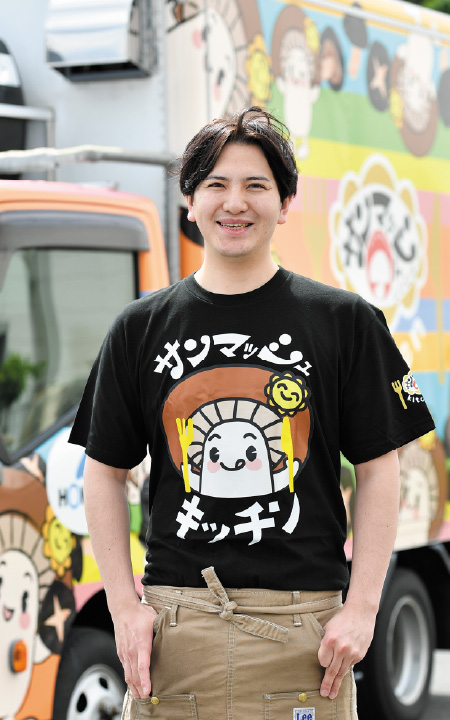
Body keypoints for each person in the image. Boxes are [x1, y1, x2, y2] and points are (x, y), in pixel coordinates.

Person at [69, 106, 435, 719]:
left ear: (285, 202)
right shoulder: (140, 327)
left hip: (304, 633)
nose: (234, 202)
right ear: (190, 201)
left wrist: (363, 607)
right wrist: (123, 608)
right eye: (216, 184)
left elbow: (380, 468)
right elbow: (103, 471)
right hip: (175, 630)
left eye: (255, 185)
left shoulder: (343, 320)